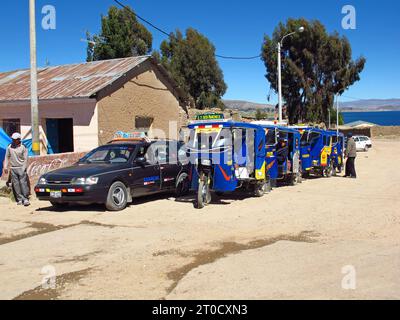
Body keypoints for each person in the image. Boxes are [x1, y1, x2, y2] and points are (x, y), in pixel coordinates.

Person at [2, 133, 30, 206]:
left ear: (19, 140)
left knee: (23, 184)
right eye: (13, 139)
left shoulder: (24, 147)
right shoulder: (9, 146)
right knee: (16, 184)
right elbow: (7, 156)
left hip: (21, 168)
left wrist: (23, 168)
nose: (13, 141)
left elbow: (25, 159)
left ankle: (25, 199)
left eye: (15, 139)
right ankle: (19, 199)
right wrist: (5, 166)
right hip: (13, 168)